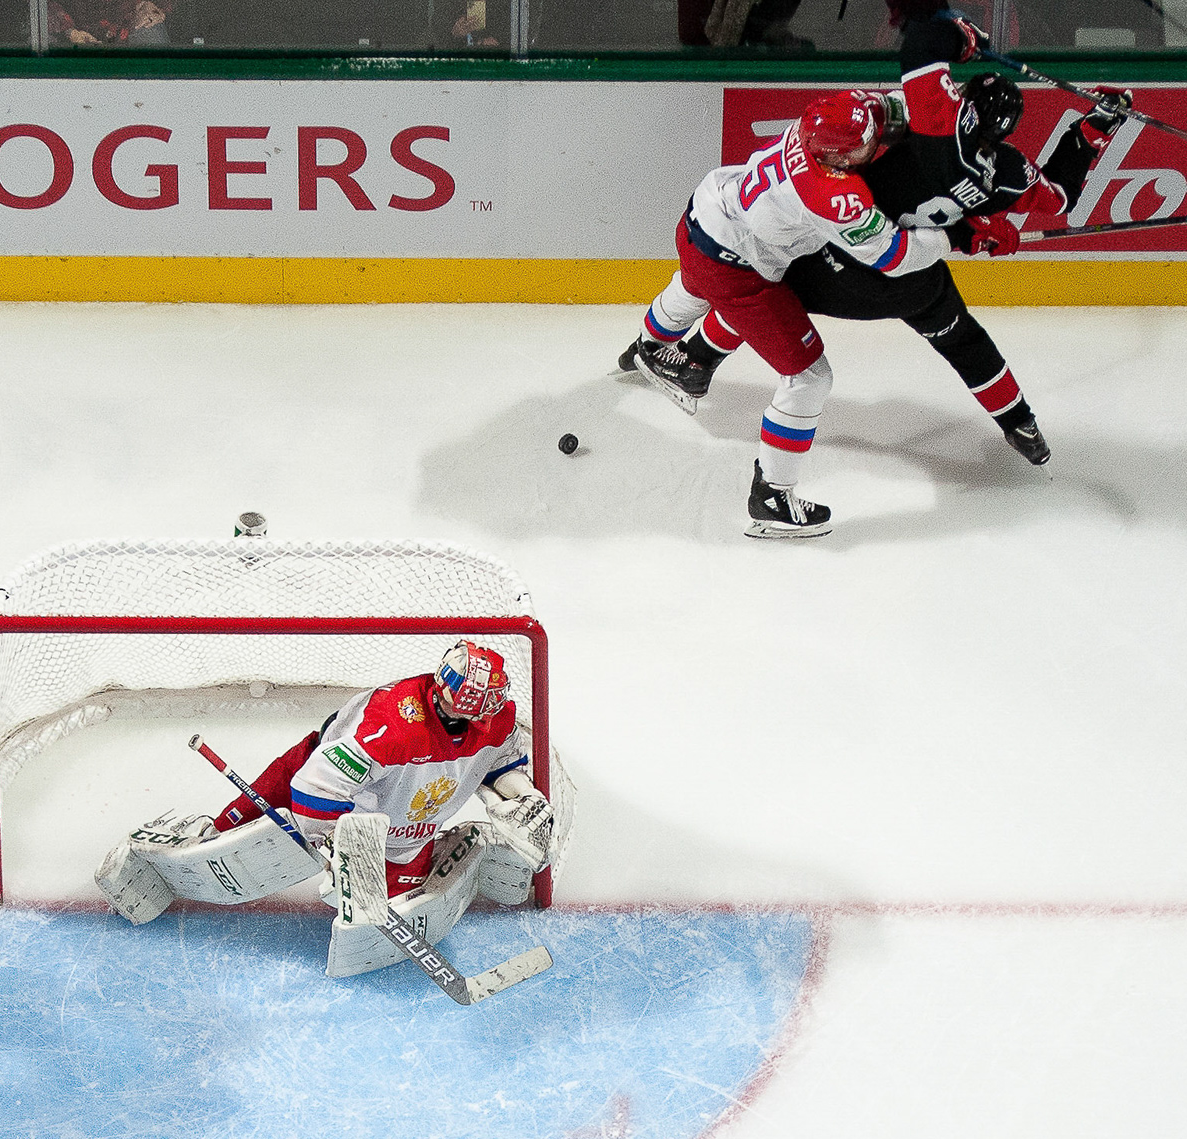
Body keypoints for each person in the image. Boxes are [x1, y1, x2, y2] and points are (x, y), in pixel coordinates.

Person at [630, 12, 1130, 476]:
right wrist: (1089, 130)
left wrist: (960, 36)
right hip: (909, 275)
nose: (880, 138)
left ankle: (691, 357)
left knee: (763, 289)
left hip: (822, 258)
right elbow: (1057, 196)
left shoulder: (917, 121)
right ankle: (1020, 422)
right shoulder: (1010, 174)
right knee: (963, 339)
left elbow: (918, 51)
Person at [94, 641, 557, 977]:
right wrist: (340, 849)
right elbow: (314, 792)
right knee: (227, 838)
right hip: (312, 781)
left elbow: (500, 762)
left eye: (487, 713)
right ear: (445, 696)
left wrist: (521, 800)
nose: (484, 721)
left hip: (407, 829)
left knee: (388, 903)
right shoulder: (390, 724)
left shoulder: (493, 715)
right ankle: (158, 862)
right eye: (473, 713)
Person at [623, 87, 955, 537]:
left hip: (703, 214)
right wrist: (958, 239)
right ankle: (773, 497)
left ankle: (646, 346)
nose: (870, 144)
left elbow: (896, 103)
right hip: (734, 266)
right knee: (810, 377)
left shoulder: (828, 120)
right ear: (836, 159)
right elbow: (893, 257)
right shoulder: (830, 194)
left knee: (691, 284)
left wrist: (955, 100)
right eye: (860, 147)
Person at [49, 0, 172, 46]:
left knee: (151, 33)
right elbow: (39, 7)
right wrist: (69, 31)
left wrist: (149, 6)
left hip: (127, 23)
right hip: (70, 28)